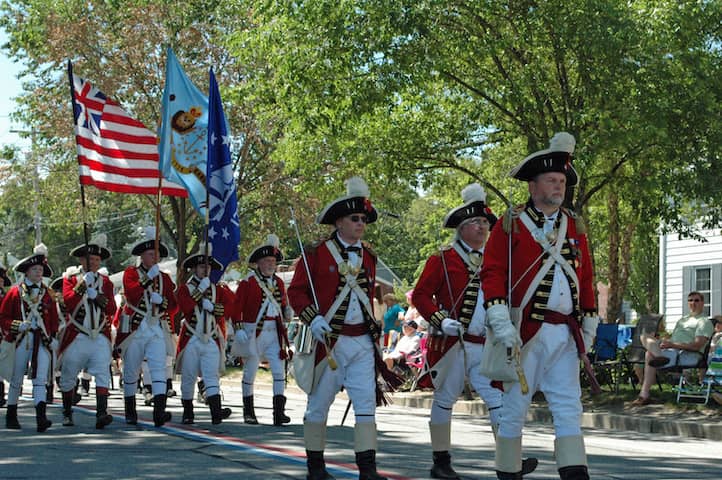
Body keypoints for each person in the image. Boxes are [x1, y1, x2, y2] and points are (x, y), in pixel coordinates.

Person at [481, 133, 598, 480]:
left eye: (562, 181)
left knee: (568, 407)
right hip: (525, 331)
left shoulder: (573, 225)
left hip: (565, 331)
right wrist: (499, 316)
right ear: (533, 186)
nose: (559, 186)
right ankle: (508, 473)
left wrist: (589, 322)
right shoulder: (512, 223)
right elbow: (493, 270)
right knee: (515, 406)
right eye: (552, 180)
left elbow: (587, 278)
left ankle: (575, 475)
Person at [412, 183, 536, 479]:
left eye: (484, 223)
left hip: (486, 343)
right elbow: (419, 296)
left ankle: (510, 463)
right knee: (446, 398)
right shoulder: (443, 259)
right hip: (453, 343)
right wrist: (441, 320)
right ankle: (441, 462)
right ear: (461, 228)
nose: (482, 228)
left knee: (498, 400)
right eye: (475, 223)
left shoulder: (497, 260)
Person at [288, 176, 400, 480]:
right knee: (319, 405)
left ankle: (368, 469)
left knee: (366, 404)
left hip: (362, 341)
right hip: (330, 341)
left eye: (364, 219)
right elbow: (296, 293)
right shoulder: (315, 253)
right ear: (339, 222)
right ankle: (316, 469)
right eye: (355, 218)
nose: (361, 223)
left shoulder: (370, 255)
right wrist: (314, 318)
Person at [115, 227, 177, 427]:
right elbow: (132, 294)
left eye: (157, 254)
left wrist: (164, 302)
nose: (155, 258)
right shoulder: (131, 273)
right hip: (135, 327)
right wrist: (148, 278)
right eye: (151, 254)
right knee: (132, 369)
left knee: (158, 368)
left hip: (156, 327)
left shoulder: (164, 277)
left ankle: (159, 411)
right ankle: (130, 411)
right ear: (142, 256)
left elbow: (174, 304)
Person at [58, 234, 117, 429]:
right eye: (90, 259)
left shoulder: (106, 282)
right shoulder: (70, 279)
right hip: (78, 333)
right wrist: (83, 285)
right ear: (81, 260)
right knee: (68, 375)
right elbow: (69, 301)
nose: (93, 263)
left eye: (97, 260)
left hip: (99, 333)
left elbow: (111, 310)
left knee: (102, 373)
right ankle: (67, 412)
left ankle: (101, 413)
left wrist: (98, 296)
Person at [233, 234, 293, 426]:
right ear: (258, 263)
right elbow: (236, 307)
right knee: (250, 371)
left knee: (278, 371)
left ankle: (278, 413)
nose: (270, 264)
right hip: (253, 331)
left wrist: (287, 310)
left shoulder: (279, 283)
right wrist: (239, 327)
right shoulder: (248, 282)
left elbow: (283, 305)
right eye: (266, 261)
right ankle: (248, 412)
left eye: (273, 261)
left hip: (274, 332)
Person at [0, 244, 59, 432]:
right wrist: (18, 325)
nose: (38, 273)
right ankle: (11, 416)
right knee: (17, 379)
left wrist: (53, 335)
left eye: (41, 270)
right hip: (21, 341)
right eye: (35, 269)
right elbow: (3, 318)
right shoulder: (15, 292)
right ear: (27, 271)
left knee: (40, 379)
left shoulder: (47, 293)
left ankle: (41, 418)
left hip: (41, 340)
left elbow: (54, 319)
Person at [175, 244, 234, 425]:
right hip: (191, 337)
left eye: (207, 267)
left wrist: (214, 307)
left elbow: (231, 307)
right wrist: (200, 291)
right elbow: (185, 307)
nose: (205, 270)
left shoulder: (218, 289)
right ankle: (188, 413)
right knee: (189, 376)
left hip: (211, 338)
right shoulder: (185, 288)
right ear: (194, 269)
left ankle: (216, 413)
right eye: (201, 267)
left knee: (211, 376)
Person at [631, 291, 713, 406]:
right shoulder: (683, 320)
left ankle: (644, 395)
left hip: (687, 354)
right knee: (644, 336)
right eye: (690, 300)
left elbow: (696, 345)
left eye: (696, 300)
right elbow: (675, 338)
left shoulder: (704, 321)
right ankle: (659, 357)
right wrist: (664, 340)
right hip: (673, 350)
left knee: (649, 354)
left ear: (702, 303)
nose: (693, 303)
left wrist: (672, 345)